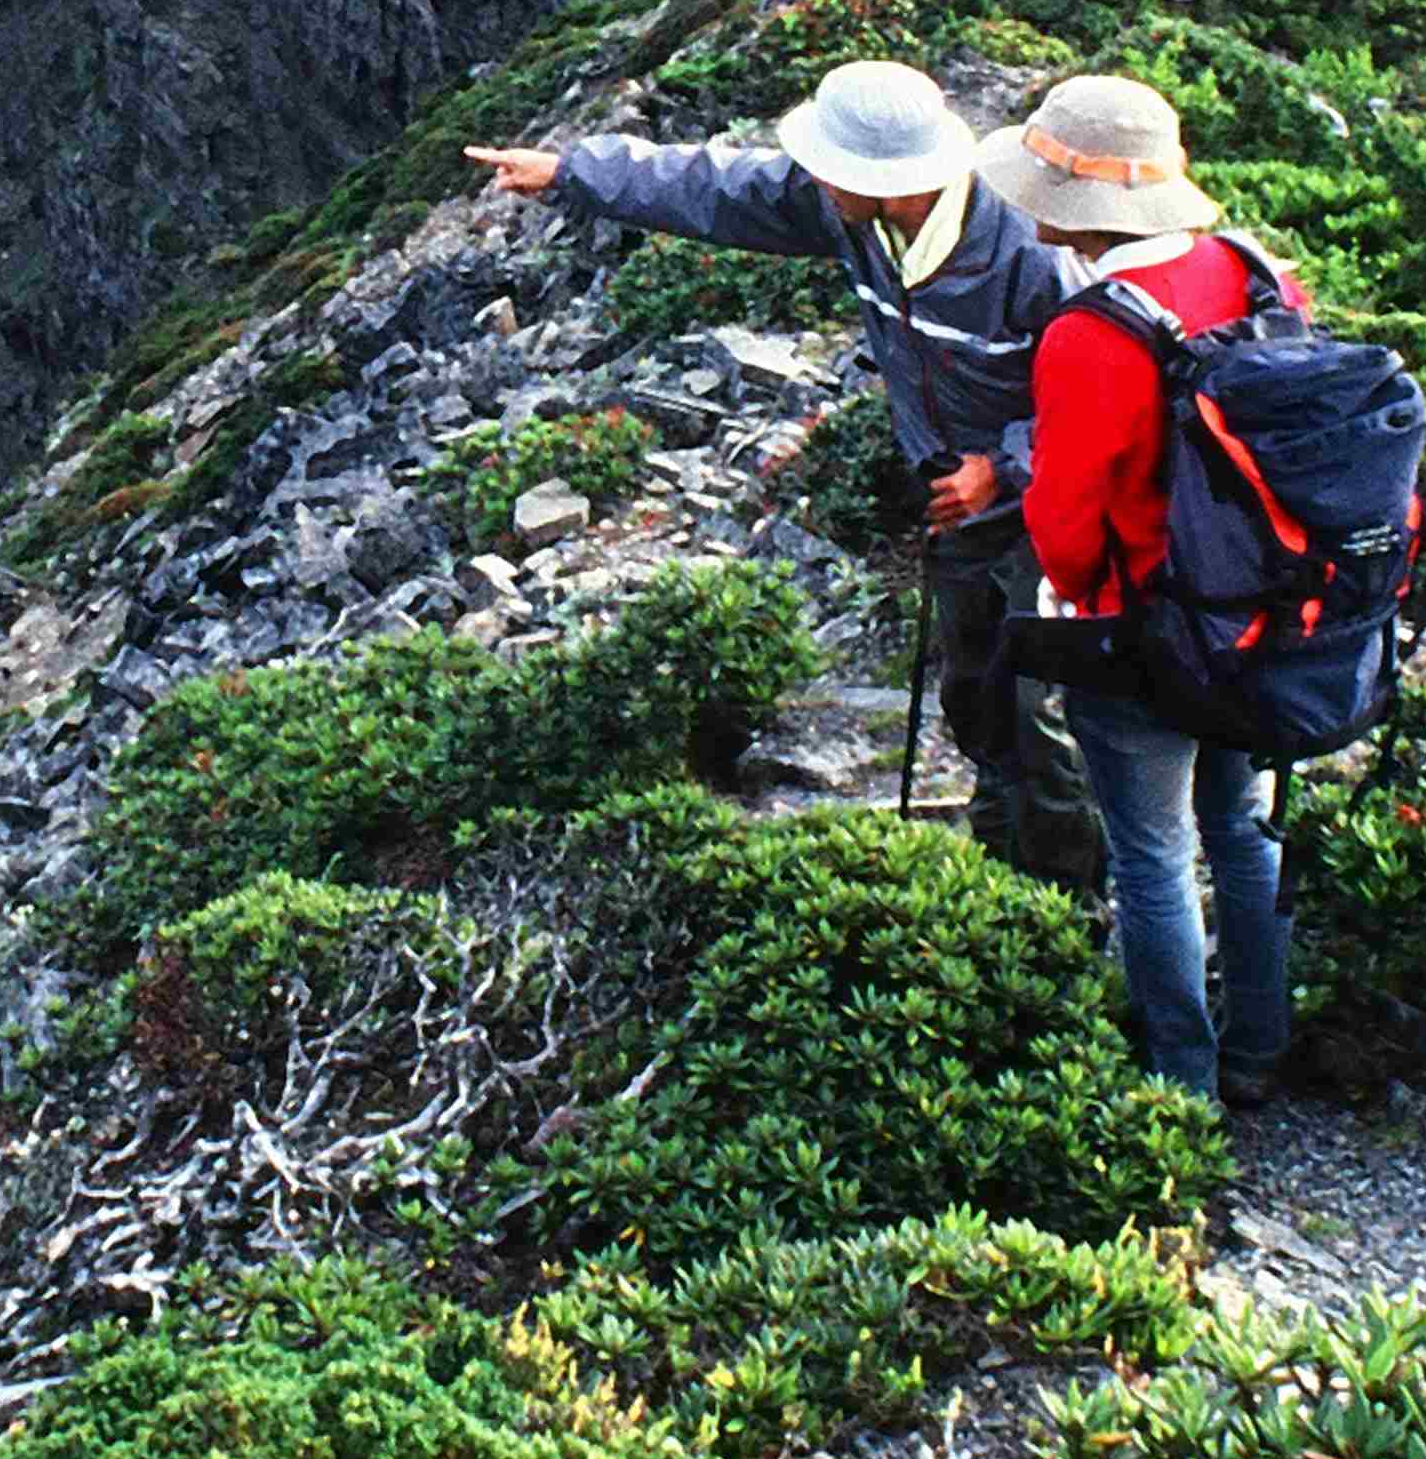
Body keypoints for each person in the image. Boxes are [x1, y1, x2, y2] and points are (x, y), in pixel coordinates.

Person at [466, 61, 1104, 888]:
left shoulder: (1030, 250)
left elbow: (1105, 390)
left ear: (886, 177)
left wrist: (1004, 467)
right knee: (976, 694)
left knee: (1032, 707)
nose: (811, 176)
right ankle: (1002, 866)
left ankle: (1067, 901)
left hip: (1045, 502)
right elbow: (718, 188)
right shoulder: (847, 212)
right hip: (954, 498)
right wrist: (571, 174)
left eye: (829, 164)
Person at [994, 72, 1301, 1102]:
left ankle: (1182, 1087)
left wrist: (1069, 599)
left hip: (1145, 635)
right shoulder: (1259, 276)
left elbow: (1066, 524)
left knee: (1153, 857)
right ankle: (1261, 1047)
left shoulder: (1092, 333)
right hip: (1259, 619)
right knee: (1243, 833)